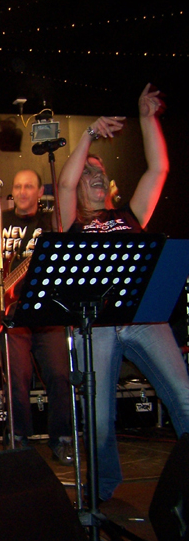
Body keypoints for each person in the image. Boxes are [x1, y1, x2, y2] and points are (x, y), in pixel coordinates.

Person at [58, 83, 189, 502]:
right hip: (96, 325)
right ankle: (102, 492)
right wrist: (88, 135)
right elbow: (64, 183)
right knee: (98, 420)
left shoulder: (130, 216)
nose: (97, 176)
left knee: (185, 398)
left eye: (101, 171)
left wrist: (148, 119)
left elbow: (159, 170)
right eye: (89, 172)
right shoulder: (72, 223)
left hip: (142, 317)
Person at [0, 169, 74, 465]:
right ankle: (18, 438)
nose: (22, 192)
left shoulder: (51, 224)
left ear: (40, 192)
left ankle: (62, 438)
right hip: (10, 313)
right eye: (17, 187)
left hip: (48, 311)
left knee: (60, 374)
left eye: (29, 186)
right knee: (17, 378)